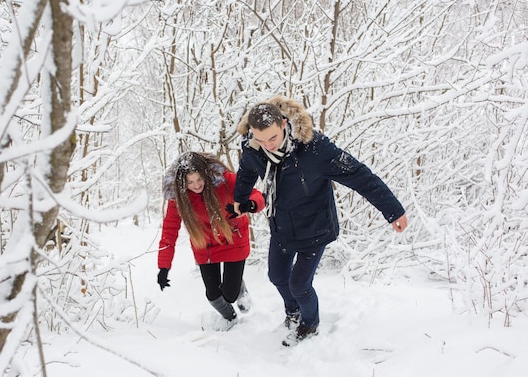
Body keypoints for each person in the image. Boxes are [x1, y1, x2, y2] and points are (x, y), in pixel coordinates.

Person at [231, 95, 408, 346]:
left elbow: (359, 175)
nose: (267, 145)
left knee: (299, 284)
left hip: (315, 228)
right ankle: (293, 312)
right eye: (261, 140)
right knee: (277, 276)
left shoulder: (315, 149)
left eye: (272, 138)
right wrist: (240, 198)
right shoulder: (253, 147)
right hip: (282, 225)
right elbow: (247, 171)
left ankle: (309, 325)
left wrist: (393, 210)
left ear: (283, 124)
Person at [157, 152, 265, 327]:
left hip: (232, 238)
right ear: (182, 183)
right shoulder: (178, 198)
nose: (196, 185)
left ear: (205, 173)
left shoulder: (224, 181)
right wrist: (164, 266)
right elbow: (169, 231)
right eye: (190, 182)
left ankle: (239, 289)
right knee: (213, 295)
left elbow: (255, 194)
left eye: (199, 179)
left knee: (230, 293)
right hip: (204, 245)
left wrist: (249, 205)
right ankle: (230, 319)